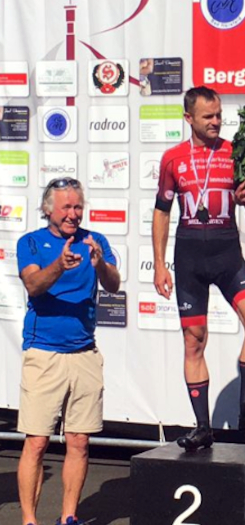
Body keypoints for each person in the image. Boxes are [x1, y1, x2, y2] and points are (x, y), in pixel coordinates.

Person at [153, 86, 245, 451]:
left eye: (219, 115)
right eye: (208, 116)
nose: (216, 122)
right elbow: (162, 211)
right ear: (188, 118)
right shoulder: (173, 159)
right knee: (195, 340)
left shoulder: (235, 154)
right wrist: (159, 264)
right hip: (190, 257)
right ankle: (202, 426)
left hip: (228, 256)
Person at [16, 178, 120, 525]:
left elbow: (114, 284)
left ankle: (68, 516)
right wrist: (60, 264)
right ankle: (30, 520)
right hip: (44, 355)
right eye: (66, 208)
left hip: (85, 354)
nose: (73, 214)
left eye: (78, 207)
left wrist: (100, 263)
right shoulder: (30, 242)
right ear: (49, 209)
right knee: (37, 443)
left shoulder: (95, 240)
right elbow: (33, 285)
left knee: (79, 442)